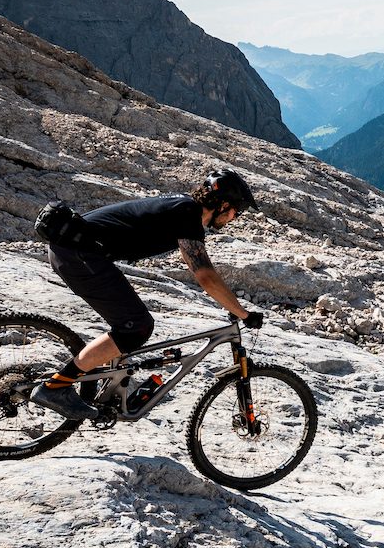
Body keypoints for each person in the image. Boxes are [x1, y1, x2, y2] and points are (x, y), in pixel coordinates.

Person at [30, 169, 265, 419]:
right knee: (137, 327)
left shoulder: (182, 206)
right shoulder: (188, 214)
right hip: (79, 255)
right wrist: (243, 313)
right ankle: (54, 388)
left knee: (130, 323)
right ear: (224, 205)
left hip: (76, 253)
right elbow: (205, 275)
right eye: (237, 213)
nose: (234, 219)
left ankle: (109, 387)